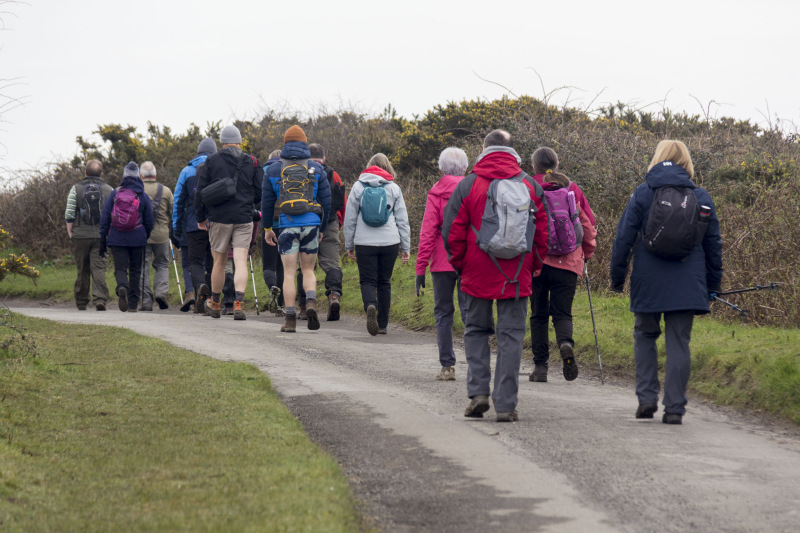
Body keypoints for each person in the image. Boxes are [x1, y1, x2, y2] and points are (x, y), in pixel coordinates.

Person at [610, 140, 722, 425]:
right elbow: (713, 247)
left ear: (657, 159)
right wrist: (712, 286)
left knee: (645, 336)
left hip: (648, 281)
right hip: (688, 283)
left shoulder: (643, 194)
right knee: (678, 344)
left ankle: (647, 399)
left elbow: (623, 238)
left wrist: (617, 278)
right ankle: (674, 408)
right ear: (687, 163)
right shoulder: (702, 197)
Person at [442, 130, 548, 422]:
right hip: (517, 273)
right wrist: (532, 265)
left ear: (484, 149)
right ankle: (505, 406)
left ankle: (478, 394)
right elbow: (542, 235)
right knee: (511, 337)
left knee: (476, 331)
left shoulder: (468, 185)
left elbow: (452, 232)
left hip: (476, 270)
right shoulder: (529, 185)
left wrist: (461, 265)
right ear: (513, 151)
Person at [529, 166, 597, 383]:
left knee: (538, 314)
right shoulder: (571, 195)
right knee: (562, 313)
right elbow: (587, 227)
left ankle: (540, 367)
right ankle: (565, 343)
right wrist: (586, 254)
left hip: (538, 263)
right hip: (567, 264)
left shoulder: (533, 193)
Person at [262, 126, 331, 332]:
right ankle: (310, 303)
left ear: (285, 144)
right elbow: (326, 203)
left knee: (289, 273)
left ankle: (290, 319)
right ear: (304, 143)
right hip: (311, 224)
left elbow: (266, 204)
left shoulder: (273, 170)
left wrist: (267, 229)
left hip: (286, 226)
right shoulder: (316, 169)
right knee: (308, 269)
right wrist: (322, 229)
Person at [195, 125, 263, 320]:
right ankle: (239, 303)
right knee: (241, 260)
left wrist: (201, 218)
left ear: (222, 143)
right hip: (244, 217)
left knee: (219, 261)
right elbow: (259, 191)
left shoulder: (212, 160)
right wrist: (248, 204)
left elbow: (200, 193)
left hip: (219, 218)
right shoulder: (253, 161)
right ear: (240, 141)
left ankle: (215, 303)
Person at [343, 153, 411, 336]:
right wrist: (406, 247)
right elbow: (402, 220)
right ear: (388, 168)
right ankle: (382, 324)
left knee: (367, 280)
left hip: (364, 242)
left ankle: (370, 305)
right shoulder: (394, 188)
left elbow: (349, 219)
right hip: (390, 241)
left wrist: (348, 244)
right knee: (384, 282)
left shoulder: (358, 186)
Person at [416, 147, 469, 380]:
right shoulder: (473, 189)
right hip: (469, 261)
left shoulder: (436, 193)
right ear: (465, 168)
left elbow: (427, 233)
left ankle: (447, 367)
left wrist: (420, 269)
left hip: (441, 262)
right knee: (471, 312)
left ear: (440, 169)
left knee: (443, 313)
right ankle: (480, 362)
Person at [98, 161, 154, 312]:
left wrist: (103, 238)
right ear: (138, 176)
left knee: (120, 268)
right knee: (136, 270)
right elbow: (149, 220)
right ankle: (133, 304)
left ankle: (122, 287)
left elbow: (105, 218)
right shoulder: (142, 195)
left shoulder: (115, 194)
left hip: (117, 237)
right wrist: (145, 235)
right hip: (138, 238)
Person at [173, 138, 217, 309]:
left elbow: (178, 200)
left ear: (198, 152)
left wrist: (176, 226)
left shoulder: (186, 172)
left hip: (194, 224)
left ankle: (199, 287)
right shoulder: (219, 170)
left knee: (194, 262)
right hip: (216, 224)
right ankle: (210, 301)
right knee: (213, 263)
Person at [64, 159, 114, 311]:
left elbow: (70, 212)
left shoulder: (76, 189)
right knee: (99, 267)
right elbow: (113, 214)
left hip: (80, 235)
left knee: (82, 267)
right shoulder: (109, 190)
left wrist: (70, 231)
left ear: (85, 173)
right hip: (101, 236)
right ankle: (100, 299)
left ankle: (81, 301)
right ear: (101, 174)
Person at [139, 161, 174, 311]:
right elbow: (173, 212)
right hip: (162, 235)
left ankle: (146, 301)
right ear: (155, 174)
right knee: (162, 264)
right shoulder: (165, 191)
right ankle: (160, 293)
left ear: (141, 175)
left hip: (142, 235)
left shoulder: (137, 191)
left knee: (142, 266)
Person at [531, 147, 595, 226]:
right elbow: (589, 221)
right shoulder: (570, 187)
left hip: (536, 237)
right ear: (557, 165)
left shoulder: (527, 187)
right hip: (569, 237)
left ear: (534, 168)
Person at [260, 149, 286, 315]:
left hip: (269, 225)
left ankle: (272, 287)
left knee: (269, 265)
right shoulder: (288, 170)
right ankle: (281, 303)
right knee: (283, 265)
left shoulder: (264, 172)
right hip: (286, 223)